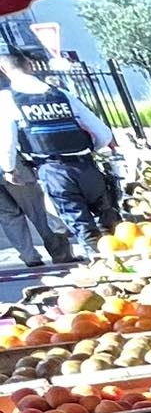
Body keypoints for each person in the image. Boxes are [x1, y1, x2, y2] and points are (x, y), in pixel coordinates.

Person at [0, 48, 116, 259]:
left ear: (3, 69)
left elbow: (7, 139)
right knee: (109, 222)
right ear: (30, 65)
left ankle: (101, 263)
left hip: (53, 170)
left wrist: (8, 169)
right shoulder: (61, 94)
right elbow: (103, 133)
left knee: (83, 226)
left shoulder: (8, 100)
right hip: (86, 166)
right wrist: (90, 150)